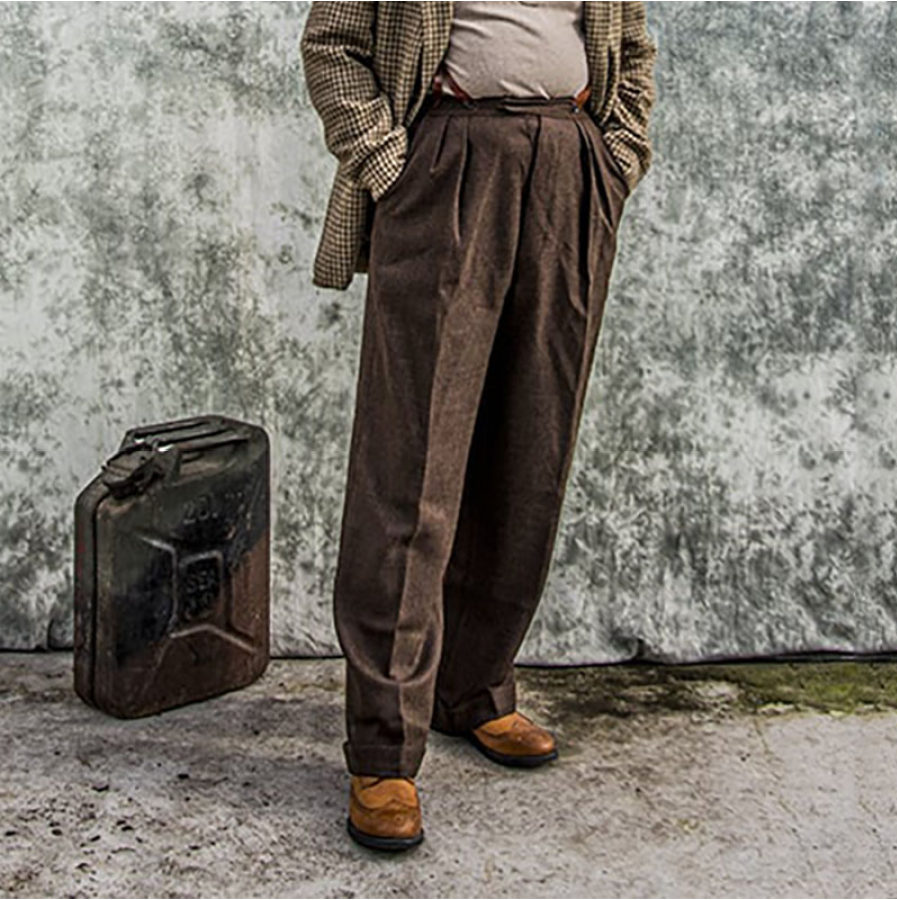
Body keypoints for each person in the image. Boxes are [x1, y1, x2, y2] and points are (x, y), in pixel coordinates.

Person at [300, 0, 657, 852]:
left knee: (532, 447)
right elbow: (332, 45)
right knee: (411, 460)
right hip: (447, 162)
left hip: (571, 169)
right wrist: (392, 162)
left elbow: (633, 48)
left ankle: (475, 688)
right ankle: (383, 747)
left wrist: (618, 156)